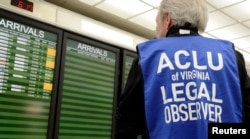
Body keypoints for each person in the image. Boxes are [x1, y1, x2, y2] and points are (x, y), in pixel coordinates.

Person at [115, 0, 250, 138]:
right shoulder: (231, 57)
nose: (157, 29)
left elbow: (127, 122)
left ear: (167, 19)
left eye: (157, 23)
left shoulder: (148, 57)